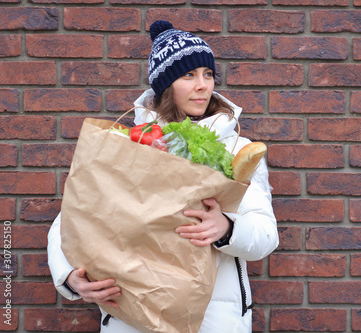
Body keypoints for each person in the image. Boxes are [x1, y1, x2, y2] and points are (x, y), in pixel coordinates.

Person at [47, 20, 279, 333]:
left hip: (213, 320)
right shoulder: (127, 144)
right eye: (188, 75)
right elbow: (73, 217)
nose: (203, 86)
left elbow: (266, 235)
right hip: (130, 317)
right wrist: (69, 277)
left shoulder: (239, 150)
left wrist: (227, 229)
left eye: (208, 74)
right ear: (166, 84)